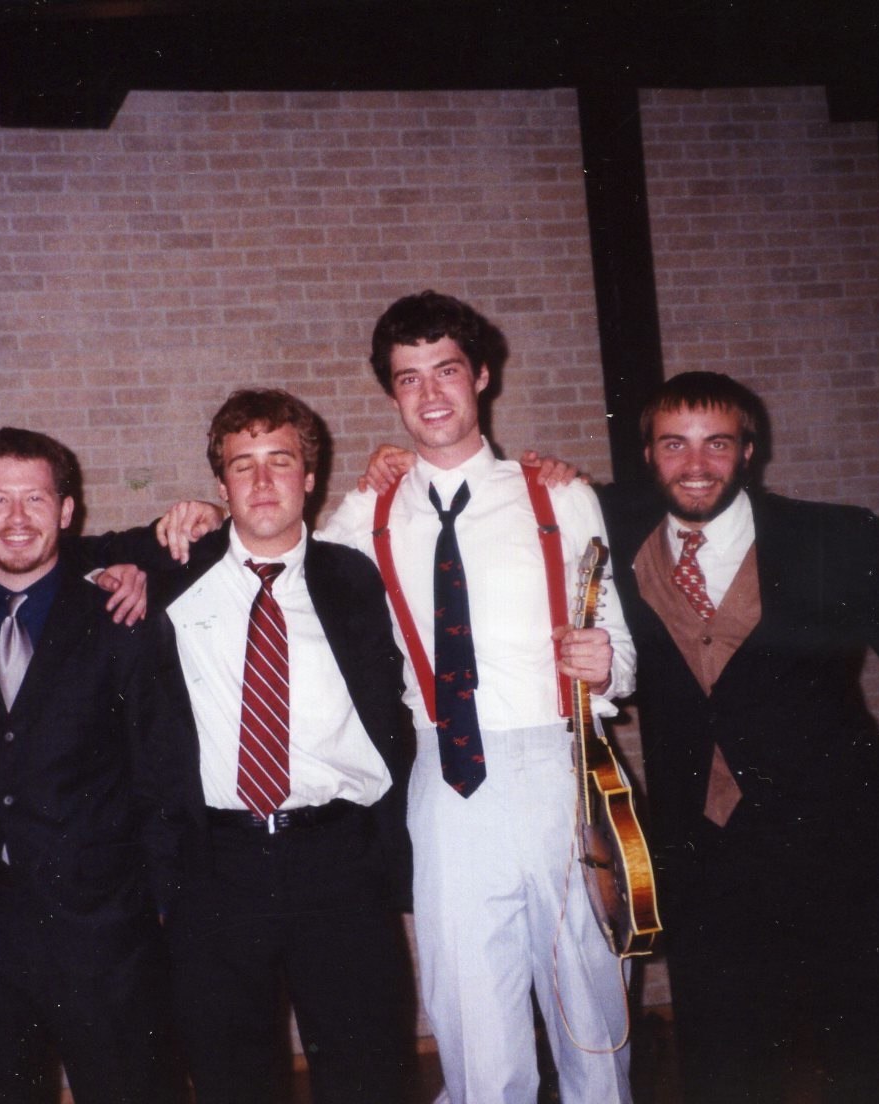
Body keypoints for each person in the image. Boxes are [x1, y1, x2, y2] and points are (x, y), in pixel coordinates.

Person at [151, 295, 638, 1104]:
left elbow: (617, 644)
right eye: (409, 379)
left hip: (553, 759)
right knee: (470, 1016)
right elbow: (270, 540)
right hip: (443, 775)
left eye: (446, 370)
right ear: (391, 396)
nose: (431, 394)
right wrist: (196, 517)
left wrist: (605, 664)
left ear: (482, 376)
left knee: (587, 1000)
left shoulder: (559, 496)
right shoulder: (364, 515)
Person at [0, 391, 418, 1102]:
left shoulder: (355, 577)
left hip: (339, 862)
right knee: (232, 1079)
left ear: (310, 476)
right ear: (219, 487)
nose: (262, 482)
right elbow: (36, 548)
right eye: (243, 467)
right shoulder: (177, 569)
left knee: (370, 1074)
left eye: (280, 462)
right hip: (218, 865)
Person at [596, 370, 879, 1103]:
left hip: (843, 832)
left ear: (749, 451)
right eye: (673, 444)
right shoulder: (615, 534)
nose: (695, 464)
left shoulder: (828, 540)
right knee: (723, 1062)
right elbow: (515, 499)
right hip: (706, 847)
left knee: (870, 1059)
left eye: (717, 443)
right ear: (647, 455)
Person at [0, 427, 180, 1104]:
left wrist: (155, 910)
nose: (16, 518)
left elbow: (161, 771)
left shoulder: (121, 615)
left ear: (67, 511)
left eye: (35, 499)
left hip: (103, 931)